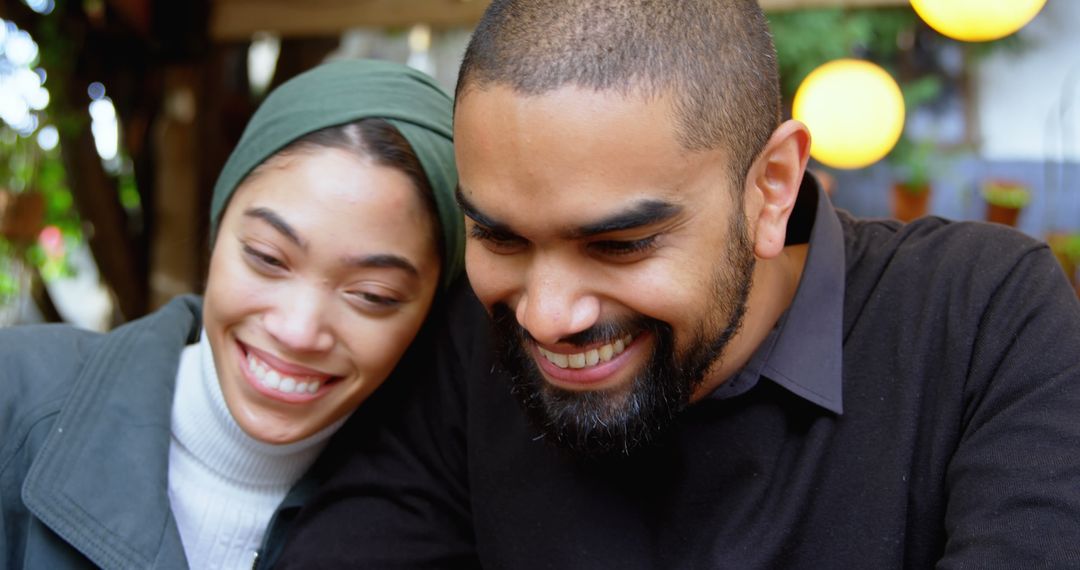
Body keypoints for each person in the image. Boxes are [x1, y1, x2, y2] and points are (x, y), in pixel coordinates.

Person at [277, 1, 1080, 568]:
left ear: (771, 187)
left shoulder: (982, 318)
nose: (548, 317)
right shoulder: (466, 338)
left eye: (619, 243)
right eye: (501, 236)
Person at [0, 58, 463, 569]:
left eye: (373, 295)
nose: (297, 330)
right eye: (267, 258)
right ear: (218, 232)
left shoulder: (445, 520)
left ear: (431, 313)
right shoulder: (15, 395)